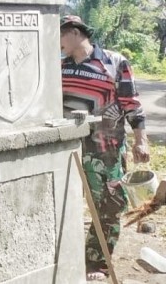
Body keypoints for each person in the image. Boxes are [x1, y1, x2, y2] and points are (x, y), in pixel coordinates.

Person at [59, 15, 150, 281]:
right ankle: (66, 254)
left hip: (106, 149)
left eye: (60, 36)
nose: (58, 43)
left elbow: (132, 104)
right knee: (65, 202)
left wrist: (140, 139)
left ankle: (97, 261)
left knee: (110, 206)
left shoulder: (114, 62)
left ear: (75, 33)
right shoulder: (59, 66)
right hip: (68, 149)